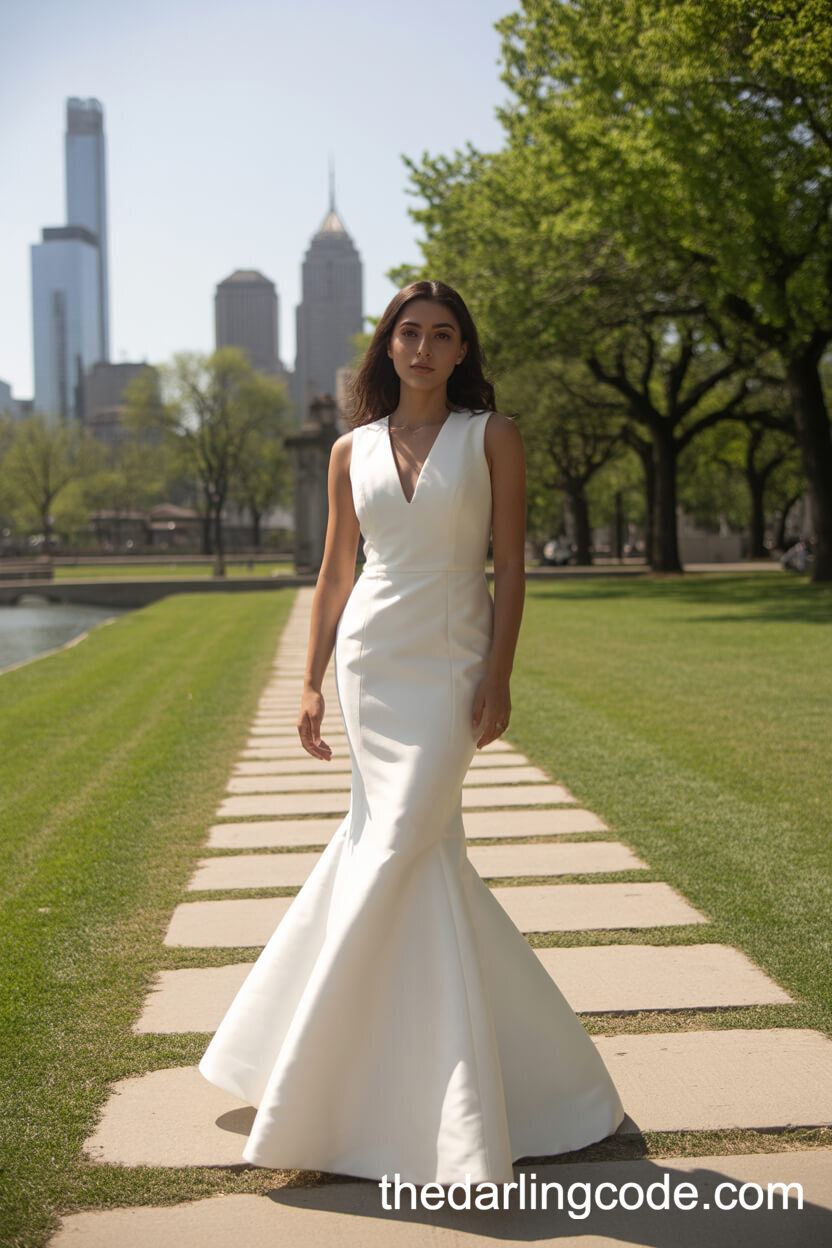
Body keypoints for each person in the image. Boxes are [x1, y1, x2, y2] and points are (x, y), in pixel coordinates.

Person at [198, 279, 626, 1186]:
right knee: (406, 856)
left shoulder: (493, 438)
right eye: (409, 333)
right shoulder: (350, 448)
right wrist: (310, 682)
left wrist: (498, 674)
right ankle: (412, 1085)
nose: (424, 348)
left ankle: (320, 1093)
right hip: (372, 664)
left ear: (463, 350)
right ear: (386, 347)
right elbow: (332, 571)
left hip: (452, 663)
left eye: (442, 335)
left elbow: (509, 567)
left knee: (395, 848)